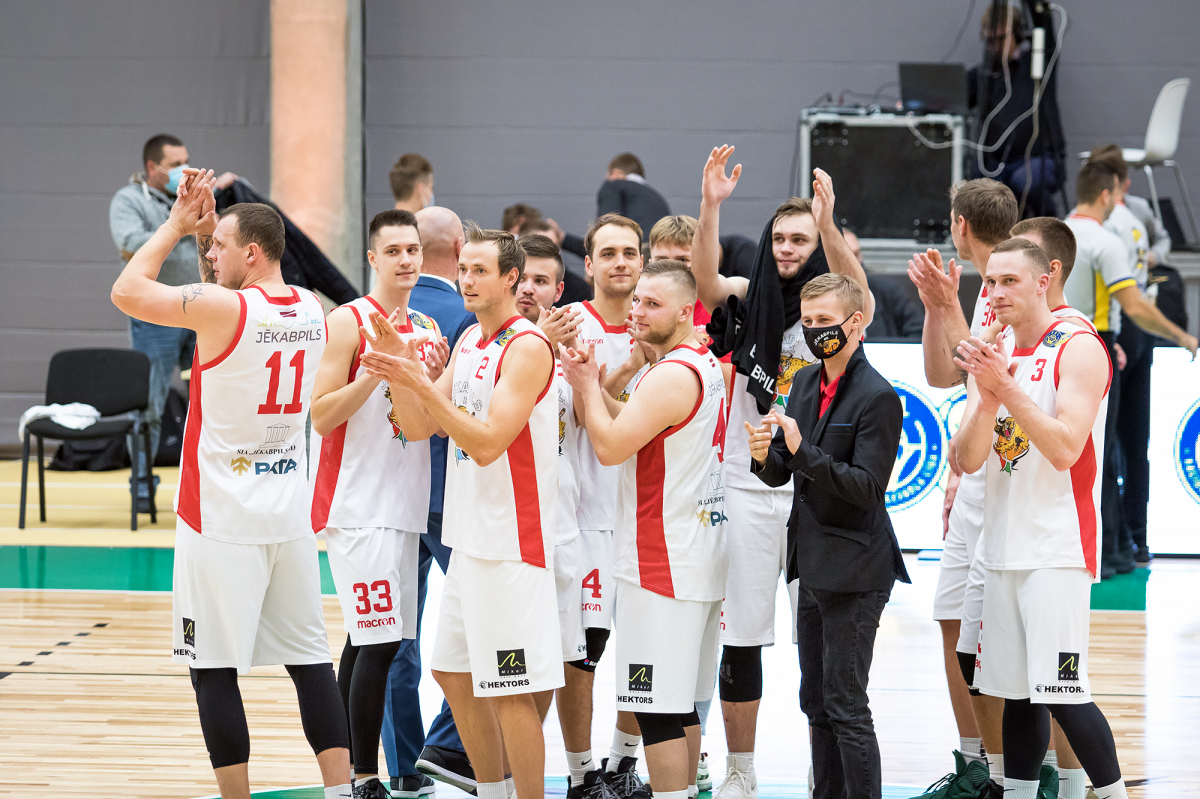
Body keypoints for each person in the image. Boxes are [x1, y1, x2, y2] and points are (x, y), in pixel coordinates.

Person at [110, 171, 352, 799]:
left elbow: (127, 291)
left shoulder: (224, 309)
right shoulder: (308, 307)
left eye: (219, 244)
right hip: (288, 517)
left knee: (211, 671)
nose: (209, 253)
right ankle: (341, 790)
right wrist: (205, 235)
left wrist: (173, 225)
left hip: (219, 517)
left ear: (252, 252)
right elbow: (225, 306)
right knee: (309, 664)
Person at [690, 145, 873, 799]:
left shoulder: (834, 309)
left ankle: (825, 770)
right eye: (781, 237)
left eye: (800, 237)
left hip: (814, 492)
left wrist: (829, 226)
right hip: (746, 486)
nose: (789, 247)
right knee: (741, 634)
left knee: (818, 644)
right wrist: (711, 205)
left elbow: (865, 299)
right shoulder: (749, 294)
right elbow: (706, 280)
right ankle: (740, 769)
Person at [362, 223, 560, 799]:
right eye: (463, 269)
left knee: (509, 689)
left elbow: (488, 441)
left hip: (512, 543)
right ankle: (493, 791)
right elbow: (421, 425)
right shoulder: (472, 340)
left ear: (511, 278)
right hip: (470, 537)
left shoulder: (526, 347)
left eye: (479, 271)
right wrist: (401, 370)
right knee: (453, 672)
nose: (466, 280)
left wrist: (419, 385)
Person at [954, 238, 1130, 799]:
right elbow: (967, 458)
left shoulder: (1077, 346)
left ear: (1043, 280)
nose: (995, 292)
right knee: (1016, 693)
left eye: (1008, 280)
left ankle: (1115, 793)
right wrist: (986, 398)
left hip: (1056, 548)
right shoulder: (997, 347)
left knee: (1063, 691)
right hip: (1002, 544)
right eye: (989, 282)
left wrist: (1004, 386)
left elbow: (1065, 450)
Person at [562, 259, 727, 799]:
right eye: (636, 300)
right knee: (677, 704)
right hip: (693, 556)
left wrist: (585, 384)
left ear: (685, 312)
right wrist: (594, 389)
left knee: (654, 708)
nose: (637, 311)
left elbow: (609, 447)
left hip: (662, 562)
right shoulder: (696, 364)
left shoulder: (671, 374)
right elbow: (631, 426)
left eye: (651, 304)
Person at [747, 273, 908, 799]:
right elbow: (783, 469)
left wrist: (800, 451)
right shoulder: (806, 384)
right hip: (812, 563)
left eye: (825, 321)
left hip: (857, 569)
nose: (815, 331)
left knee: (846, 705)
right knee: (815, 702)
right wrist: (762, 457)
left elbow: (866, 488)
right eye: (808, 322)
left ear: (854, 322)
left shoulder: (878, 396)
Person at [310, 209, 449, 799]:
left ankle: (342, 779)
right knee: (380, 643)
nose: (405, 260)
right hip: (357, 504)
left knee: (368, 639)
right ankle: (365, 776)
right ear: (372, 259)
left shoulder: (426, 327)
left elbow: (428, 428)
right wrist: (376, 372)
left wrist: (431, 382)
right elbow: (320, 415)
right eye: (393, 251)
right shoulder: (347, 322)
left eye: (412, 249)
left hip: (405, 505)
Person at [907, 178, 1018, 792]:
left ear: (959, 225)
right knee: (952, 619)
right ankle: (976, 763)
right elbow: (945, 374)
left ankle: (1028, 774)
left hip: (1008, 484)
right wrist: (940, 305)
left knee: (1009, 646)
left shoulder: (1013, 288)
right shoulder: (981, 289)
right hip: (972, 479)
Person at [515, 235, 618, 799]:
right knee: (517, 664)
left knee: (573, 653)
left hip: (568, 527)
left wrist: (596, 376)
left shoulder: (569, 344)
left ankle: (587, 774)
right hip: (509, 534)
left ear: (559, 289)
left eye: (540, 281)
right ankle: (500, 775)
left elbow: (594, 416)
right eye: (521, 277)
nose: (528, 288)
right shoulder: (490, 343)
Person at [1062, 160, 1197, 577]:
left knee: (1079, 453)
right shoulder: (1106, 240)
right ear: (1110, 194)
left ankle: (1101, 548)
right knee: (1103, 455)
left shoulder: (1056, 234)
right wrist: (1185, 337)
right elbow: (1136, 305)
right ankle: (1113, 551)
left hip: (1061, 343)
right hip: (1096, 343)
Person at [561, 213, 653, 799]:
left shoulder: (665, 325)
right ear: (589, 264)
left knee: (647, 649)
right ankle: (581, 772)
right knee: (585, 655)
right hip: (589, 517)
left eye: (631, 252)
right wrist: (620, 372)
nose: (621, 262)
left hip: (649, 519)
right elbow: (574, 417)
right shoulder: (572, 329)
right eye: (609, 253)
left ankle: (623, 764)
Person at [108, 133, 237, 510]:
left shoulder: (192, 198)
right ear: (153, 167)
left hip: (201, 310)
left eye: (186, 159)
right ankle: (143, 485)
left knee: (214, 395)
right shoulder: (129, 200)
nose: (185, 165)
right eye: (176, 161)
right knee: (149, 402)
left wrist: (213, 209)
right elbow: (129, 241)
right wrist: (179, 224)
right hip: (156, 316)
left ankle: (213, 483)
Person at [397, 206, 477, 797]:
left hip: (391, 495)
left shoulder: (376, 316)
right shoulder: (469, 320)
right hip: (451, 493)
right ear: (459, 245)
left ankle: (402, 769)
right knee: (482, 619)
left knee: (393, 634)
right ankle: (447, 744)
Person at [1088, 145, 1163, 564]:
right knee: (1136, 442)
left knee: (1104, 443)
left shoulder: (1097, 227)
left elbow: (1120, 295)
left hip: (1109, 330)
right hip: (1137, 330)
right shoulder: (1135, 221)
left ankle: (1111, 544)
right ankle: (1136, 538)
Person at [968, 1, 1065, 218]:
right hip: (997, 163)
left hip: (1040, 159)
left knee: (1026, 181)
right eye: (989, 40)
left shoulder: (1039, 65)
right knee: (979, 182)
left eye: (1001, 39)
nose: (995, 47)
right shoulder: (983, 75)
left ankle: (1049, 230)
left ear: (1018, 35)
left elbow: (1044, 25)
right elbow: (952, 99)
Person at [843, 230, 924, 341]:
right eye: (846, 256)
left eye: (856, 254)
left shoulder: (887, 290)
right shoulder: (817, 295)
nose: (855, 262)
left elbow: (919, 331)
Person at [598, 153, 671, 240]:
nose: (607, 179)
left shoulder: (613, 185)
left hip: (636, 248)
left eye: (608, 175)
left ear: (616, 173)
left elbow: (607, 228)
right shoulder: (659, 199)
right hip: (659, 249)